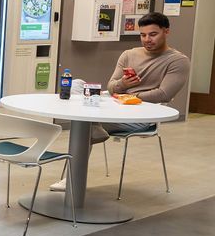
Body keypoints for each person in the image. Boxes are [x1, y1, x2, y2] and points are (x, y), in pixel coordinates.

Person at [50, 11, 189, 191]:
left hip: (142, 115)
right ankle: (95, 128)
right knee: (76, 85)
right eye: (143, 35)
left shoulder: (178, 61)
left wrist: (125, 96)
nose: (147, 39)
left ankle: (72, 177)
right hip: (113, 104)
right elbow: (111, 85)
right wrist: (123, 84)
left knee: (84, 120)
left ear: (166, 32)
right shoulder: (129, 54)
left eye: (153, 34)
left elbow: (162, 94)